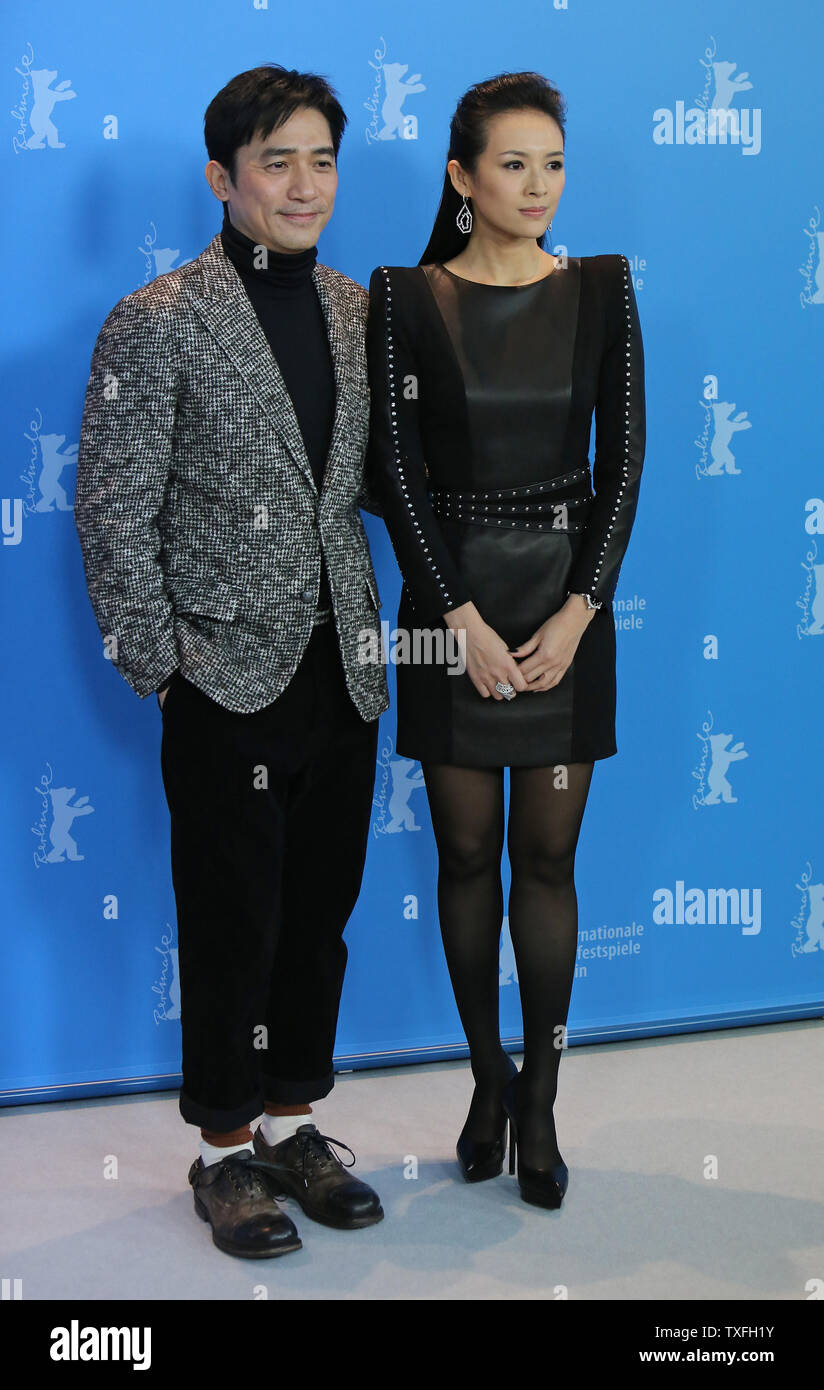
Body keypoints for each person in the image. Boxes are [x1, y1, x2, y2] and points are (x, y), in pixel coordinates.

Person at [74, 65, 389, 1259]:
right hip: (223, 678)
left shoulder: (362, 315)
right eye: (276, 162)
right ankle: (221, 1153)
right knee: (231, 919)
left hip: (344, 665)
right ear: (223, 178)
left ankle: (297, 1125)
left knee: (319, 914)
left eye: (319, 159)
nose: (302, 184)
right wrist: (165, 665)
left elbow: (369, 488)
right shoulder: (157, 319)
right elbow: (110, 511)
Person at [365, 71, 646, 1209]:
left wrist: (577, 613)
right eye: (512, 163)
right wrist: (459, 621)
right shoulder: (401, 295)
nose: (536, 185)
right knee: (464, 855)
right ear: (460, 177)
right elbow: (394, 473)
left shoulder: (600, 289)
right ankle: (483, 1078)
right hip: (445, 618)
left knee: (545, 860)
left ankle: (538, 1098)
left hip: (566, 614)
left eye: (553, 162)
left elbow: (622, 465)